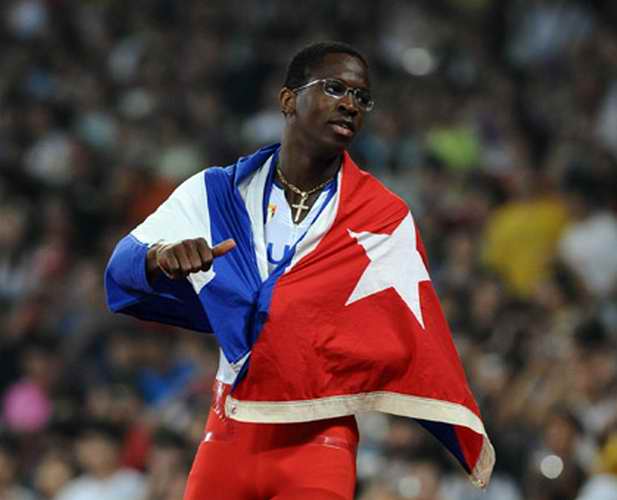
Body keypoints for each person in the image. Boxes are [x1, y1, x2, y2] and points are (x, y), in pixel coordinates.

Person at [105, 41, 495, 500]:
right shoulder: (215, 194)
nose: (350, 104)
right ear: (288, 100)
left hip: (319, 441)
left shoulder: (381, 217)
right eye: (335, 88)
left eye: (361, 97)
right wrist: (161, 257)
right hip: (228, 434)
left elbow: (414, 337)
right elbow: (119, 269)